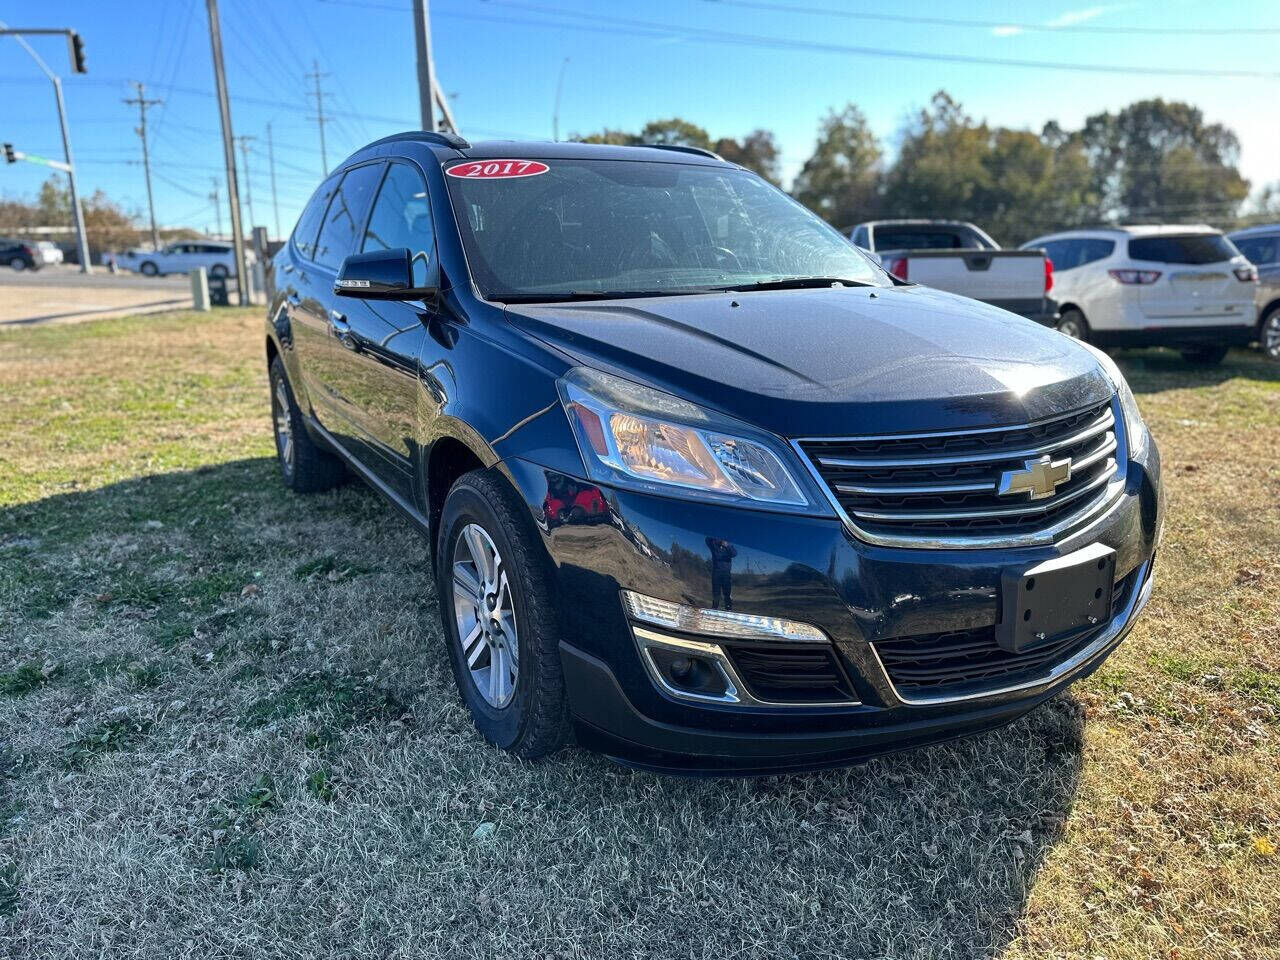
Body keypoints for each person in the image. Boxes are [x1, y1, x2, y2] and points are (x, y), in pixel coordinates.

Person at [705, 537, 737, 610]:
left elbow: (734, 554)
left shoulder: (729, 547)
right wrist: (717, 541)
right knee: (716, 591)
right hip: (716, 572)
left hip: (726, 573)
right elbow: (707, 540)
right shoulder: (714, 546)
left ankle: (728, 607)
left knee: (727, 591)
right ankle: (715, 606)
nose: (722, 541)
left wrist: (727, 545)